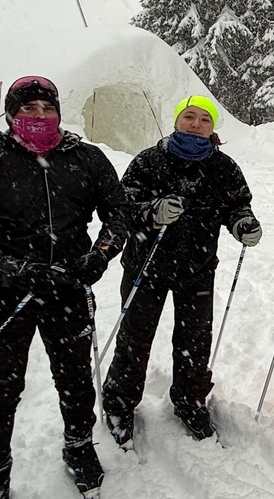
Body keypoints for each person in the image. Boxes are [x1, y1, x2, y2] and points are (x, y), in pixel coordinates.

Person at [0, 75, 127, 499]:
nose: (39, 117)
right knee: (2, 390)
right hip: (9, 296)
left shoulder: (87, 159)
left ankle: (79, 445)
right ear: (11, 115)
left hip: (68, 287)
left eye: (47, 108)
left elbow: (119, 214)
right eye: (29, 110)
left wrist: (98, 257)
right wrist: (11, 270)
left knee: (76, 378)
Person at [101, 95, 260, 444]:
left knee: (195, 340)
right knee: (135, 338)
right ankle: (119, 402)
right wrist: (151, 211)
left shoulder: (223, 167)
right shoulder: (149, 161)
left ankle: (189, 401)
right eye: (189, 116)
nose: (196, 123)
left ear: (213, 127)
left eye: (205, 119)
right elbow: (123, 207)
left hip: (198, 268)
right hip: (147, 266)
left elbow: (237, 204)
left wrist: (243, 223)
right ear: (176, 121)